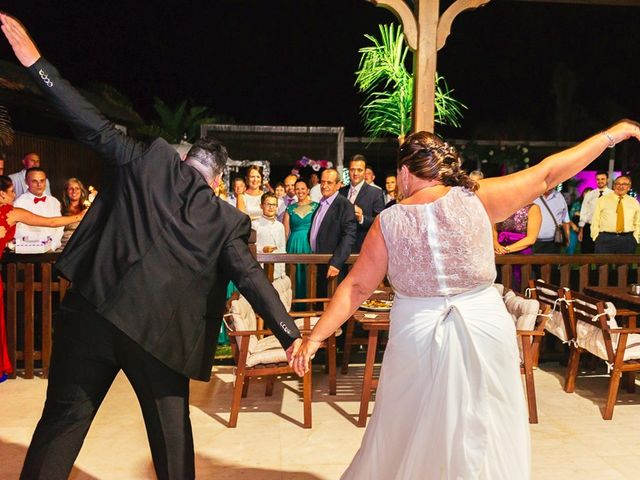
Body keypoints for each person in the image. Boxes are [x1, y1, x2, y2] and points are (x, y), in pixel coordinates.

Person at [1, 14, 302, 480]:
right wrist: (291, 336)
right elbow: (251, 278)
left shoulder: (143, 159)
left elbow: (88, 122)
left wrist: (36, 64)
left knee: (61, 425)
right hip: (158, 342)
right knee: (171, 439)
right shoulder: (228, 220)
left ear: (186, 160)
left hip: (90, 317)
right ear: (218, 178)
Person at [293, 122, 640, 479]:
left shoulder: (389, 221)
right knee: (485, 427)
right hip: (483, 328)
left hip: (416, 335)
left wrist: (315, 337)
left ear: (404, 171)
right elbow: (546, 174)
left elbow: (356, 288)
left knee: (406, 426)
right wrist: (612, 135)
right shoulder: (478, 196)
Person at [0, 175, 84, 382]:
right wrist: (80, 216)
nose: (13, 194)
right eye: (11, 192)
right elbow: (52, 222)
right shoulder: (11, 212)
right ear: (2, 194)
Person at [309, 169, 356, 297]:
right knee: (319, 305)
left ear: (338, 185)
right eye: (322, 182)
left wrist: (336, 263)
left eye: (329, 182)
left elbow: (349, 236)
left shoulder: (344, 205)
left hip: (332, 266)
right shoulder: (322, 203)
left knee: (332, 305)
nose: (324, 186)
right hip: (318, 263)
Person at [339, 155, 384, 252]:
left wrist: (362, 218)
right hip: (341, 247)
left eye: (359, 170)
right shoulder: (341, 192)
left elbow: (380, 221)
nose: (355, 173)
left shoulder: (375, 193)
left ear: (365, 172)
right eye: (352, 170)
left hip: (363, 247)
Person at [283, 179, 319, 300]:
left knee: (309, 275)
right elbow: (285, 231)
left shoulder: (316, 207)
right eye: (297, 189)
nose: (300, 191)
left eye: (302, 188)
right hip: (293, 245)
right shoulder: (290, 209)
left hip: (309, 244)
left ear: (308, 190)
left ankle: (310, 306)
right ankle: (293, 305)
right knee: (293, 275)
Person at [13, 167, 64, 251]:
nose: (39, 185)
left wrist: (52, 245)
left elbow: (60, 227)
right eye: (34, 181)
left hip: (52, 250)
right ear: (26, 182)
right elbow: (18, 231)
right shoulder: (19, 203)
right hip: (28, 251)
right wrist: (35, 246)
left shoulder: (54, 202)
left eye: (42, 181)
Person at [493, 203, 542, 289]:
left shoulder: (533, 208)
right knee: (499, 285)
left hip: (521, 253)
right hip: (499, 253)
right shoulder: (500, 206)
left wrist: (507, 249)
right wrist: (497, 246)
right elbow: (493, 230)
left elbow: (531, 239)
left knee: (520, 286)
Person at [591, 175, 640, 254]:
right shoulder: (602, 200)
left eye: (624, 184)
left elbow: (638, 222)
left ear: (629, 187)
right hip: (605, 239)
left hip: (627, 240)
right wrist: (596, 237)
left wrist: (635, 238)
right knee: (603, 266)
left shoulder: (634, 202)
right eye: (618, 184)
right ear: (614, 186)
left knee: (624, 266)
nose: (621, 186)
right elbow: (595, 220)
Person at [252, 192, 287, 279]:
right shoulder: (255, 224)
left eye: (274, 204)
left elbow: (282, 249)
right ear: (261, 206)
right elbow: (249, 248)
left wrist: (283, 272)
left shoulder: (280, 226)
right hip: (259, 270)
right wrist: (263, 249)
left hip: (277, 272)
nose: (271, 207)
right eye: (268, 204)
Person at [578, 171, 612, 253]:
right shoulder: (589, 195)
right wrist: (581, 230)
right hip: (589, 228)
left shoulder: (612, 195)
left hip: (605, 229)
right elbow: (584, 212)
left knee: (604, 257)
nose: (600, 181)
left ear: (607, 180)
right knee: (586, 256)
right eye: (598, 179)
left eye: (603, 179)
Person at [533, 187, 570, 253]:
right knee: (536, 263)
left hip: (555, 242)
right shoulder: (533, 196)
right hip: (534, 243)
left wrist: (567, 238)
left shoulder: (559, 197)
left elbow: (565, 220)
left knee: (554, 262)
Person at [60, 177, 89, 249]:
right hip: (63, 246)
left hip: (82, 245)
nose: (74, 191)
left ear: (81, 191)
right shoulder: (59, 207)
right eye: (71, 188)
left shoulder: (88, 208)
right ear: (66, 191)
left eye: (77, 188)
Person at [567, 187, 592, 254]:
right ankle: (567, 262)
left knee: (586, 250)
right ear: (583, 195)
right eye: (586, 194)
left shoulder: (594, 205)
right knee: (570, 248)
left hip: (587, 230)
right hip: (574, 228)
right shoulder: (577, 204)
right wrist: (573, 226)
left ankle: (585, 263)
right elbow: (569, 217)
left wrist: (580, 214)